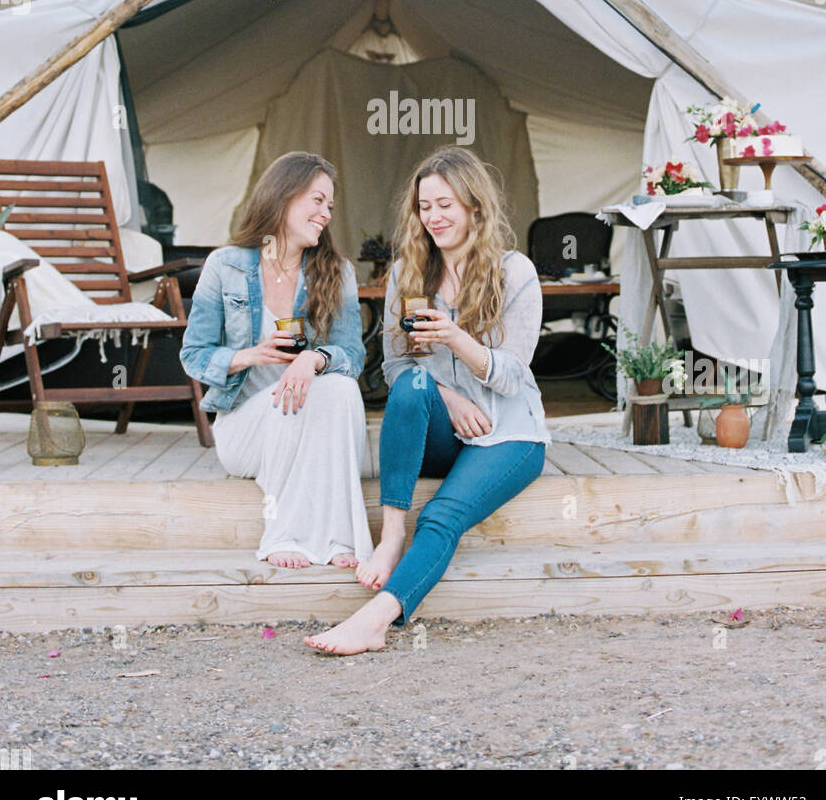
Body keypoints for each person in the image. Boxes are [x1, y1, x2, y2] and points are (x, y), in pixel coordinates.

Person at [304, 146, 549, 654]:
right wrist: (449, 397)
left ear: (475, 207)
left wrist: (457, 338)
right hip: (444, 428)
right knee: (414, 385)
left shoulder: (515, 272)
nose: (433, 217)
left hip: (507, 433)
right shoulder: (407, 274)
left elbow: (511, 377)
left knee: (440, 516)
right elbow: (394, 369)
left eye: (446, 205)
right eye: (425, 207)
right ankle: (392, 533)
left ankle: (376, 620)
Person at [180, 151, 372, 569]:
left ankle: (340, 536)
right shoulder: (225, 266)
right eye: (317, 200)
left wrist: (314, 361)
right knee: (294, 397)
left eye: (331, 206)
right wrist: (248, 356)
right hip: (244, 428)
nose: (325, 214)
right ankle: (286, 532)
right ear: (283, 196)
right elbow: (193, 356)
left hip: (306, 416)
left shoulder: (335, 271)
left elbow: (353, 355)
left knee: (338, 385)